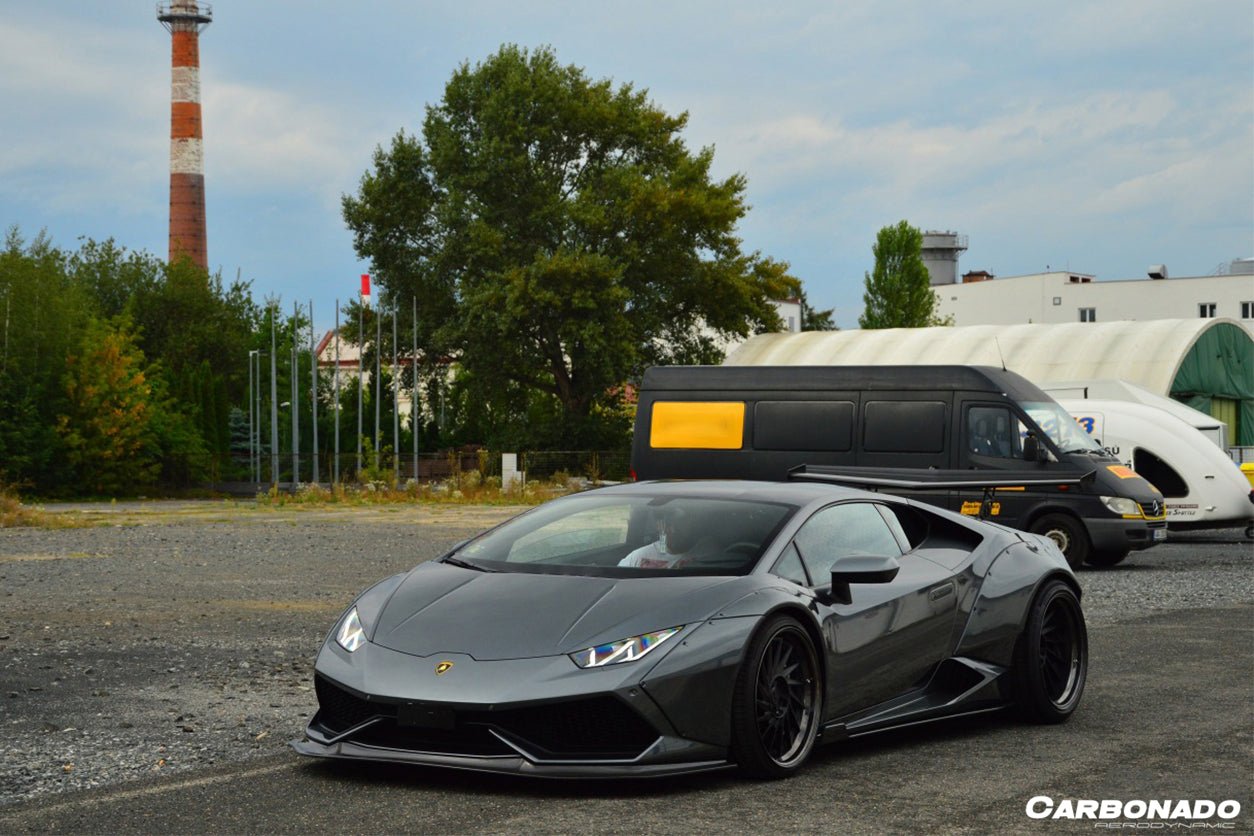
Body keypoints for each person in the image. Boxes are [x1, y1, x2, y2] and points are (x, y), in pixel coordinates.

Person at [618, 507, 706, 568]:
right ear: (659, 526)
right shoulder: (638, 557)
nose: (673, 530)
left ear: (692, 523)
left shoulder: (708, 551)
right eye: (668, 525)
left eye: (679, 524)